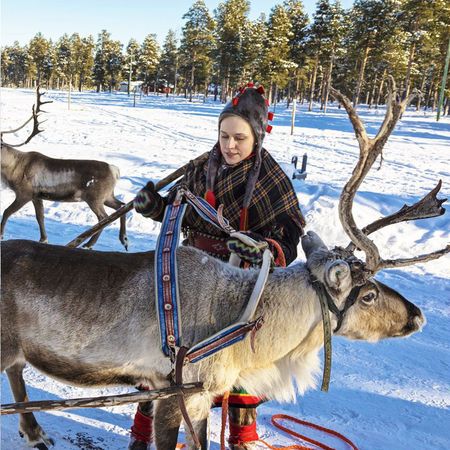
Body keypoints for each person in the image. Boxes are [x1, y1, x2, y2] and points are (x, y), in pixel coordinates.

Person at [129, 83, 306, 450]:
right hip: (191, 280)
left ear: (256, 137)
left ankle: (241, 440)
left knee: (235, 363)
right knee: (164, 357)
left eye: (239, 137)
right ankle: (141, 434)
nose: (230, 145)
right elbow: (179, 210)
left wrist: (264, 249)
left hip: (240, 284)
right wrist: (154, 207)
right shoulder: (200, 170)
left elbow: (289, 235)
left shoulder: (272, 181)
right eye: (224, 135)